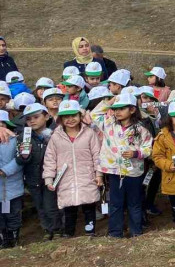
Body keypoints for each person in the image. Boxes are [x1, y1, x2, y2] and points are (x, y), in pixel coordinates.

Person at [92, 93, 153, 238]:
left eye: (121, 108)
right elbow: (94, 114)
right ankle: (114, 232)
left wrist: (136, 153)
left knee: (134, 203)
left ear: (132, 110)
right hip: (114, 171)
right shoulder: (108, 123)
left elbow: (148, 148)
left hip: (134, 172)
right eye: (115, 109)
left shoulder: (140, 129)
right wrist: (108, 102)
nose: (117, 112)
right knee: (115, 203)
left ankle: (136, 231)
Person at [43, 100, 102, 238]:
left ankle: (90, 231)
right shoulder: (56, 137)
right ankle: (68, 233)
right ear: (60, 119)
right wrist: (48, 179)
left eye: (73, 115)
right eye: (66, 117)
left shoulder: (89, 133)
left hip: (87, 176)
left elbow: (97, 155)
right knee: (69, 208)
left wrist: (98, 174)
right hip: (65, 179)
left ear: (80, 116)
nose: (70, 120)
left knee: (89, 206)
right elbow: (50, 159)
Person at [15, 104, 62, 240]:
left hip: (50, 177)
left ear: (46, 116)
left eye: (36, 117)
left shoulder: (55, 135)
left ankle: (57, 229)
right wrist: (24, 155)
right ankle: (47, 230)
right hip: (32, 178)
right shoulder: (23, 137)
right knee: (40, 205)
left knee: (51, 205)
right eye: (29, 119)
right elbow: (20, 160)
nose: (32, 121)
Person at [0, 114, 22, 248]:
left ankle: (14, 237)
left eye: (2, 125)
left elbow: (20, 159)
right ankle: (4, 238)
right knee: (2, 215)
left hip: (11, 187)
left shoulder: (15, 141)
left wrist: (4, 171)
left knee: (11, 213)